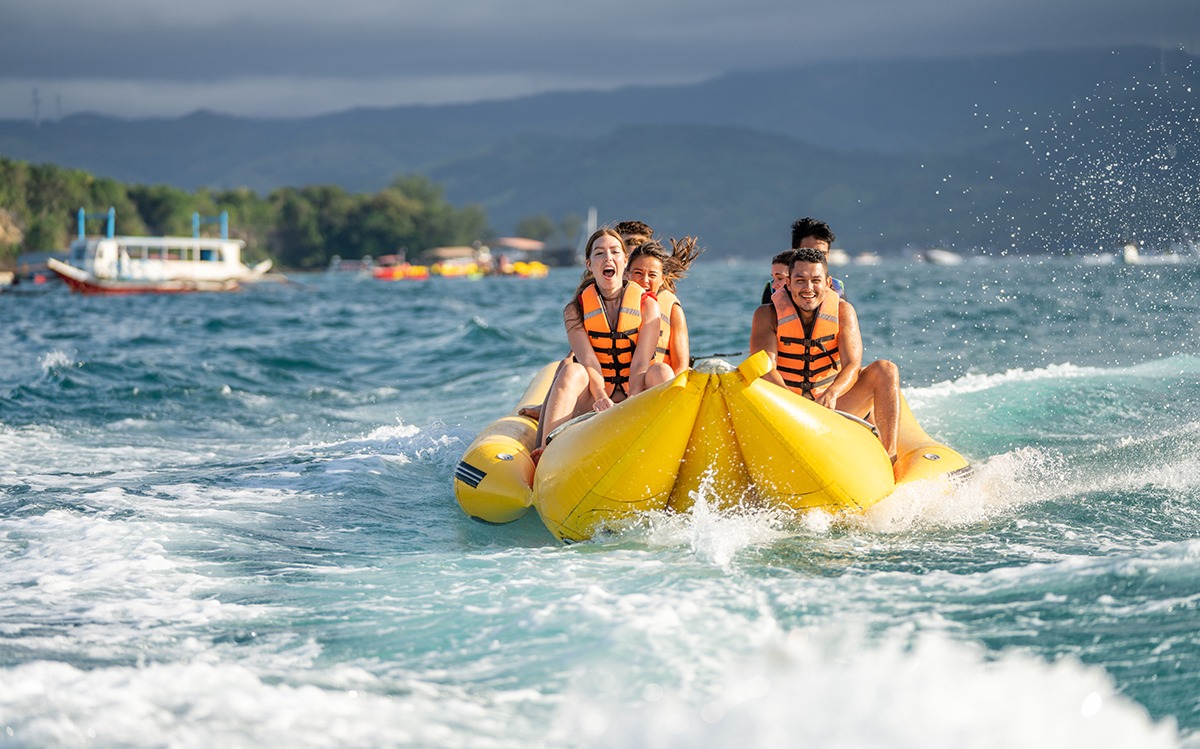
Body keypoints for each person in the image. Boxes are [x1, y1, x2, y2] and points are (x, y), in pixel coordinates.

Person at [749, 246, 899, 458]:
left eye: (815, 280)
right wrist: (792, 404)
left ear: (827, 283)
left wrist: (832, 393)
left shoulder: (843, 311)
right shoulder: (766, 314)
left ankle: (890, 456)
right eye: (800, 280)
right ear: (789, 283)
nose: (808, 288)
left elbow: (852, 365)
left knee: (886, 369)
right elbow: (765, 368)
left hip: (832, 405)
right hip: (786, 407)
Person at [536, 229, 674, 453]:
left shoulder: (648, 305)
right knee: (571, 371)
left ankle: (669, 444)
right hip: (595, 396)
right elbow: (589, 362)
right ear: (589, 264)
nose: (608, 257)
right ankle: (547, 450)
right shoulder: (575, 310)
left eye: (615, 252)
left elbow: (641, 363)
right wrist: (601, 398)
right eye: (600, 253)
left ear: (625, 261)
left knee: (661, 371)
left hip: (636, 392)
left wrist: (632, 398)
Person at [626, 237, 702, 376]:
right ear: (627, 275)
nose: (645, 280)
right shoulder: (611, 303)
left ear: (662, 279)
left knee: (661, 371)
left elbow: (680, 367)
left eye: (652, 275)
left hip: (657, 382)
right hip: (616, 384)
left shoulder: (672, 309)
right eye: (638, 273)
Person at [761, 217, 846, 304]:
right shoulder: (774, 288)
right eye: (808, 253)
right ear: (794, 252)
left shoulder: (837, 288)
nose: (816, 259)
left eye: (822, 254)